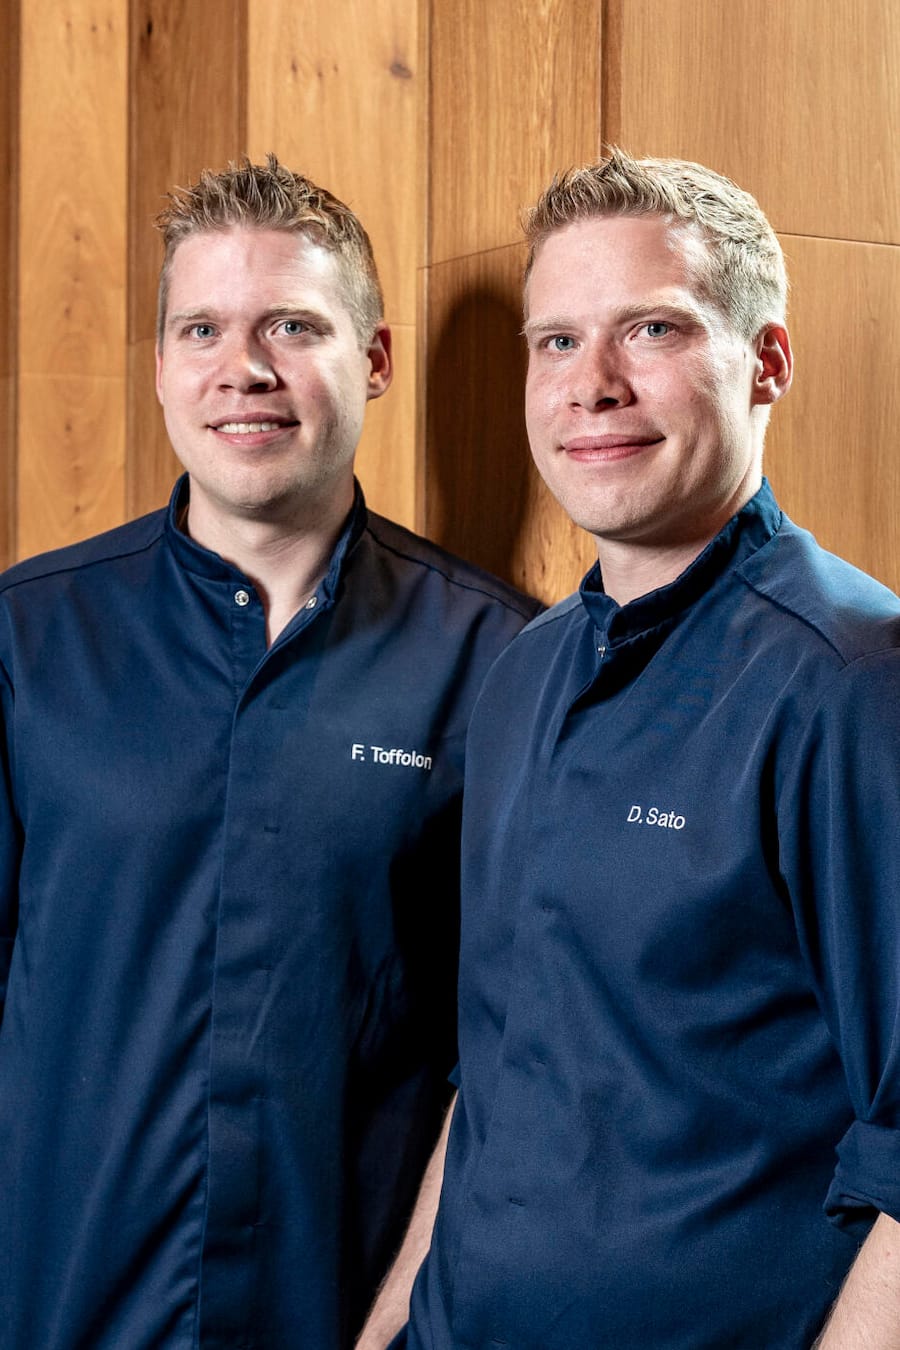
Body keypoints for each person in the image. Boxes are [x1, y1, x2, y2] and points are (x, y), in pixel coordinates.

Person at [0, 156, 539, 1350]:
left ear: (376, 361)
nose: (244, 368)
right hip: (55, 1310)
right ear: (158, 368)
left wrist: (403, 1323)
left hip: (339, 1318)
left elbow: (505, 1062)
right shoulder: (26, 638)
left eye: (294, 325)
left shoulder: (506, 662)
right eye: (203, 328)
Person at [388, 151, 900, 1348]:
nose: (592, 385)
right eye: (556, 342)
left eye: (652, 330)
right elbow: (495, 1070)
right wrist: (393, 1319)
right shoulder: (525, 671)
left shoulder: (854, 685)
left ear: (766, 361)